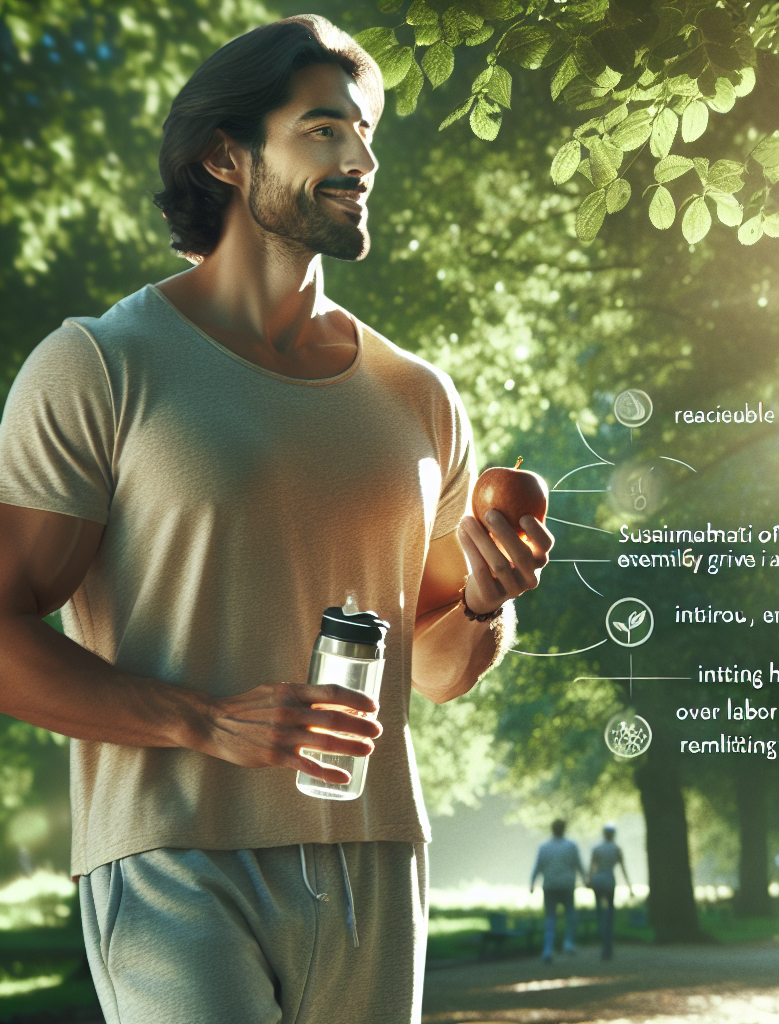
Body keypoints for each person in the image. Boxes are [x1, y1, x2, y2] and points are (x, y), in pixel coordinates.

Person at [0, 15, 554, 1024]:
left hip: (374, 857)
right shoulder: (100, 365)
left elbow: (435, 671)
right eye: (324, 130)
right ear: (225, 154)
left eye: (365, 133)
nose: (361, 157)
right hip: (172, 853)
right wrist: (203, 722)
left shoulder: (419, 396)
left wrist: (482, 598)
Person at [530, 820, 587, 962]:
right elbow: (579, 864)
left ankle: (547, 949)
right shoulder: (571, 846)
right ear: (564, 829)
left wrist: (532, 883)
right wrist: (585, 879)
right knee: (570, 915)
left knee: (550, 918)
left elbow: (538, 866)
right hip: (567, 885)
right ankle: (568, 942)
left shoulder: (544, 847)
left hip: (549, 886)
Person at [589, 824, 633, 960]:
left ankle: (603, 940)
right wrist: (629, 886)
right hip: (609, 881)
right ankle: (607, 946)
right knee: (609, 914)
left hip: (597, 881)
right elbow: (622, 868)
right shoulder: (616, 849)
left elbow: (592, 866)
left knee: (600, 913)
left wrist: (589, 879)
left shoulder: (597, 849)